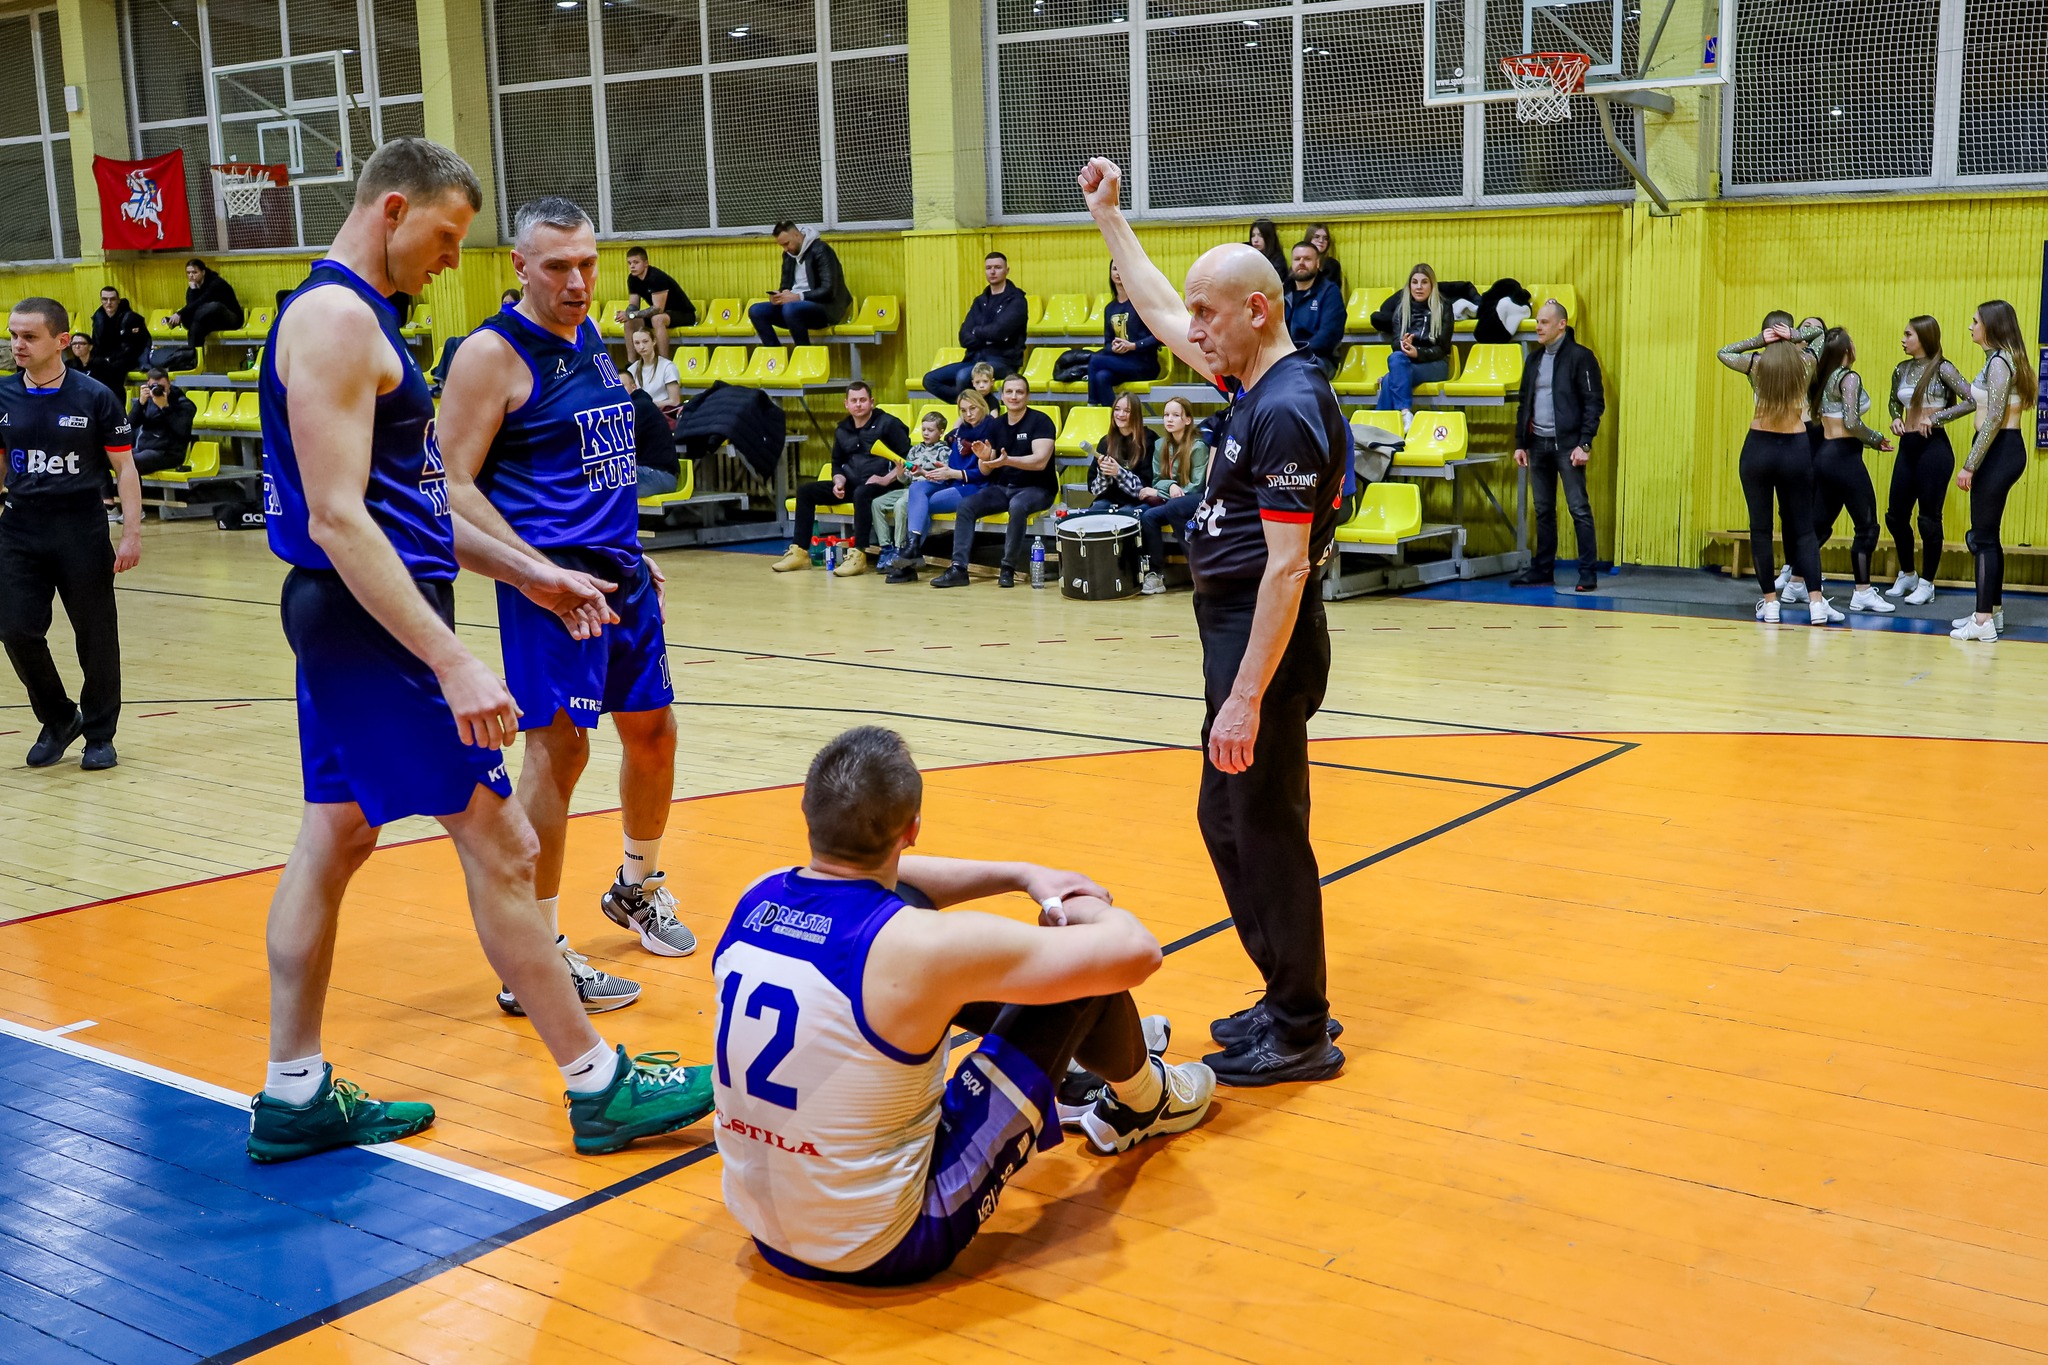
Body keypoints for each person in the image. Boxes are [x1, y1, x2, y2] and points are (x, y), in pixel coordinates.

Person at [248, 140, 712, 1164]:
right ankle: (597, 1083)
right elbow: (338, 520)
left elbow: (408, 507)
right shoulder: (336, 320)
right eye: (448, 236)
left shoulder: (364, 318)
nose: (453, 259)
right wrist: (452, 660)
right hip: (370, 622)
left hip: (356, 615)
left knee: (335, 838)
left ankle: (294, 1093)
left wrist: (531, 573)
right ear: (394, 209)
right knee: (504, 845)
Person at [713, 725, 1213, 1286]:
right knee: (1079, 976)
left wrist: (1022, 875)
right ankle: (1146, 1100)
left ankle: (1079, 1072)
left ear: (807, 813)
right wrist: (1079, 908)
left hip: (764, 1228)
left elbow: (893, 880)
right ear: (913, 830)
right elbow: (1137, 953)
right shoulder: (920, 948)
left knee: (917, 949)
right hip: (888, 1246)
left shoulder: (759, 893)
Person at [1083, 156, 1347, 1085]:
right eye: (1195, 312)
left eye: (1209, 313)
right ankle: (1284, 993)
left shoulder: (1288, 407)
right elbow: (1157, 307)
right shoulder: (1250, 381)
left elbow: (1286, 568)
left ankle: (1302, 1027)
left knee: (1263, 826)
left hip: (1262, 643)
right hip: (1235, 636)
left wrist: (1244, 697)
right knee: (1227, 816)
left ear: (1257, 311)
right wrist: (1111, 219)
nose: (1190, 330)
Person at [437, 194, 700, 1028]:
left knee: (654, 732)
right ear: (520, 266)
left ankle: (636, 886)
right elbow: (449, 484)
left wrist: (628, 545)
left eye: (587, 263)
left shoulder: (588, 336)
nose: (579, 281)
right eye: (558, 267)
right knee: (560, 750)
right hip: (549, 585)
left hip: (618, 570)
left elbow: (593, 464)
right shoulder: (490, 354)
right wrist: (534, 572)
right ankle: (536, 957)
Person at [0, 298, 142, 771]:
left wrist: (132, 534)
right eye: (13, 335)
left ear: (61, 340)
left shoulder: (95, 395)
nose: (18, 344)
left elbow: (125, 468)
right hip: (19, 527)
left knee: (95, 635)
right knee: (14, 628)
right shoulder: (3, 396)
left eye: (29, 336)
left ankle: (100, 734)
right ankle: (59, 718)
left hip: (80, 528)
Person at [1720, 320, 1835, 626]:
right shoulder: (1805, 363)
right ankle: (1816, 603)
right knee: (1804, 529)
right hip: (1795, 448)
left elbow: (1724, 352)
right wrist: (1796, 334)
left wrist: (1759, 339)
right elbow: (1820, 335)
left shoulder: (1756, 364)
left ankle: (1771, 603)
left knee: (1761, 529)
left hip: (1758, 448)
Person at [1951, 299, 2036, 642]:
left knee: (1982, 537)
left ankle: (1982, 620)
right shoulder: (1998, 360)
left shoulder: (2000, 362)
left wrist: (1970, 465)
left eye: (1975, 321)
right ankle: (1992, 611)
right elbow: (1977, 403)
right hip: (2002, 450)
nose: (1970, 326)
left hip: (2000, 451)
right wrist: (1936, 417)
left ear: (1991, 326)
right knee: (1989, 536)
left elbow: (1994, 418)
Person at [1511, 299, 1605, 593]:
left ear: (1561, 325)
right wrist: (1520, 443)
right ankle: (1542, 570)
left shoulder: (1581, 357)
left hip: (1568, 446)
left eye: (1544, 322)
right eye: (1537, 322)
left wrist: (1584, 444)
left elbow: (1594, 403)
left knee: (1579, 509)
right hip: (1537, 445)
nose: (1538, 327)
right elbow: (1524, 403)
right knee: (1543, 510)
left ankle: (1587, 573)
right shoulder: (1533, 360)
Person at [930, 374, 1057, 589]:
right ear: (1002, 396)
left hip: (1037, 488)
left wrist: (1007, 460)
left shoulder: (1040, 421)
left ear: (1027, 396)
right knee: (966, 506)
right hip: (1002, 487)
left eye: (1019, 392)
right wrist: (985, 458)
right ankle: (958, 568)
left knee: (1018, 506)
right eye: (1009, 392)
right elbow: (986, 469)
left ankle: (1008, 568)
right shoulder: (996, 425)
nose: (1014, 396)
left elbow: (1040, 461)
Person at [771, 382, 912, 575]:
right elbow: (837, 462)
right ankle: (800, 552)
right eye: (854, 401)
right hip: (852, 485)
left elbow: (908, 458)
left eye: (863, 400)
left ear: (872, 402)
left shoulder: (888, 424)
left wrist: (886, 479)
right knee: (806, 491)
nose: (858, 404)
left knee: (862, 493)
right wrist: (839, 481)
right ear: (846, 404)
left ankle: (859, 553)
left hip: (882, 485)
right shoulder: (842, 429)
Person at [1883, 316, 1973, 606]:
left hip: (1934, 449)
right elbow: (1893, 401)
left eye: (1908, 334)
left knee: (1928, 519)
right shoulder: (1901, 369)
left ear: (1923, 337)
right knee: (1895, 516)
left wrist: (1938, 417)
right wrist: (1895, 418)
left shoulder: (1943, 368)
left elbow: (1971, 399)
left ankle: (1927, 583)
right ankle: (1908, 573)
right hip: (1908, 446)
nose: (1903, 339)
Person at [1807, 328, 1894, 614]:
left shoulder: (1823, 378)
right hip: (1845, 458)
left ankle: (1797, 582)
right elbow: (1852, 422)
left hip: (1825, 456)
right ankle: (1862, 592)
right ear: (1846, 350)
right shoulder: (1849, 378)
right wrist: (1876, 439)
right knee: (1867, 526)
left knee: (1818, 527)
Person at [888, 389, 992, 584]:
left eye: (973, 408)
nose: (968, 414)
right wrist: (927, 472)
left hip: (974, 486)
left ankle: (908, 560)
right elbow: (949, 467)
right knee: (916, 489)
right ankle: (912, 549)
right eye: (963, 410)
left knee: (920, 506)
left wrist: (951, 473)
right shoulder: (959, 432)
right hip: (951, 480)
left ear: (982, 406)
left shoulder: (991, 430)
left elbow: (984, 472)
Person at [923, 254, 1028, 402]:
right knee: (930, 380)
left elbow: (999, 332)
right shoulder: (980, 301)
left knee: (963, 376)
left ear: (1007, 270)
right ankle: (970, 404)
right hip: (973, 359)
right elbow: (964, 336)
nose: (992, 271)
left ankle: (972, 407)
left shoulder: (1017, 300)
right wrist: (987, 336)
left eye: (997, 267)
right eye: (988, 268)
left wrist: (977, 332)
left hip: (1003, 361)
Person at [1136, 395, 1209, 595]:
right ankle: (1155, 574)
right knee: (1147, 516)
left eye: (1176, 415)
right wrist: (1170, 486)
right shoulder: (1160, 445)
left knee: (1169, 508)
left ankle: (1199, 570)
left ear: (1188, 420)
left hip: (1195, 501)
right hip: (1170, 500)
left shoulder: (1198, 447)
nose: (1169, 419)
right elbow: (1157, 480)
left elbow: (1196, 487)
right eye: (1166, 415)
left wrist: (1163, 491)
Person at [872, 411, 952, 571]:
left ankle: (900, 548)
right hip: (910, 488)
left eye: (930, 430)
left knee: (901, 504)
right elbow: (906, 480)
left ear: (941, 432)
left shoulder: (945, 452)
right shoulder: (915, 450)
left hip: (927, 491)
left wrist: (923, 472)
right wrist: (900, 474)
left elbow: (944, 479)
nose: (926, 433)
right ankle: (886, 548)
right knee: (877, 503)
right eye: (924, 429)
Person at [1371, 265, 1452, 422]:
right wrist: (1404, 345)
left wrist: (1418, 353)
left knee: (1389, 379)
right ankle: (1404, 414)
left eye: (1424, 282)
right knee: (1395, 359)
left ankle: (1382, 424)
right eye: (1414, 282)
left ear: (1432, 285)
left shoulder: (1444, 307)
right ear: (1409, 286)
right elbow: (1395, 343)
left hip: (1436, 364)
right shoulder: (1402, 308)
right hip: (1407, 364)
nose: (1419, 287)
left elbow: (1443, 348)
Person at [750, 221, 852, 346]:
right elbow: (785, 286)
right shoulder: (788, 255)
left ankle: (803, 352)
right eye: (782, 246)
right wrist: (779, 296)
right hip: (794, 308)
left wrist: (799, 297)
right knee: (756, 311)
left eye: (787, 244)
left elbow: (829, 290)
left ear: (797, 236)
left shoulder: (821, 250)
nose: (785, 249)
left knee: (790, 308)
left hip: (825, 308)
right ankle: (775, 353)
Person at [1086, 263, 1161, 406]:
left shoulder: (1141, 303)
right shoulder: (1110, 308)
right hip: (1121, 363)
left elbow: (1158, 337)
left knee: (1095, 360)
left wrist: (1133, 346)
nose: (1118, 272)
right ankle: (1116, 417)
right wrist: (1113, 348)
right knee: (1101, 377)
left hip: (1144, 364)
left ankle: (1091, 404)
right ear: (1110, 273)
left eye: (1122, 268)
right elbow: (1108, 343)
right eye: (1115, 268)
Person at [1083, 392, 1158, 513]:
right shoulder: (1106, 442)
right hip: (1109, 499)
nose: (1121, 414)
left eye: (1127, 411)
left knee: (1124, 517)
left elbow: (1145, 489)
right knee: (1093, 514)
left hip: (1138, 501)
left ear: (1136, 414)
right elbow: (1094, 490)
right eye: (1117, 409)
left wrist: (1118, 472)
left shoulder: (1149, 440)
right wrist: (1104, 473)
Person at [615, 247, 691, 358]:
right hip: (663, 314)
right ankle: (632, 362)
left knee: (657, 319)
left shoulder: (656, 277)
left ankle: (663, 361)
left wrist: (631, 314)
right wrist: (627, 314)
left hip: (683, 314)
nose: (632, 266)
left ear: (646, 263)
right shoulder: (632, 279)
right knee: (629, 321)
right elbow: (633, 305)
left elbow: (658, 309)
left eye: (636, 262)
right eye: (629, 263)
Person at [1283, 242, 1344, 378]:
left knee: (1294, 374)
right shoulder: (1282, 292)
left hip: (1319, 359)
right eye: (1297, 259)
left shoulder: (1329, 292)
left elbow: (1328, 336)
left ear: (1317, 263)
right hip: (1284, 359)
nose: (1301, 263)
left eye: (1307, 259)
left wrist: (1295, 354)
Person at [129, 366, 198, 475]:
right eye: (154, 386)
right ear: (148, 385)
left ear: (169, 384)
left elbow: (182, 431)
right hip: (143, 449)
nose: (158, 390)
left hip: (169, 453)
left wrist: (165, 408)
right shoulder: (149, 400)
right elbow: (130, 425)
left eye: (162, 387)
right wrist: (140, 404)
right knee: (109, 457)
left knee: (130, 463)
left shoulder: (184, 404)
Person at [165, 258, 244, 350]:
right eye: (188, 273)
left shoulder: (216, 283)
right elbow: (191, 306)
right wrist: (193, 290)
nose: (191, 276)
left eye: (194, 272)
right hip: (210, 320)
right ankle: (194, 356)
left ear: (203, 272)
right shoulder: (192, 287)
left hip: (231, 318)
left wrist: (180, 314)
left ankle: (183, 321)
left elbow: (202, 301)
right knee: (196, 326)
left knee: (213, 306)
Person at [88, 287, 151, 392]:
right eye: (105, 299)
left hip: (128, 357)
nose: (109, 303)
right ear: (101, 300)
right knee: (93, 370)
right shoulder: (98, 318)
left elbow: (136, 346)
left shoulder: (131, 318)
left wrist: (111, 359)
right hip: (106, 358)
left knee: (114, 370)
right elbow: (96, 343)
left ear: (118, 300)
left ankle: (116, 400)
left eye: (112, 299)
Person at [624, 326, 681, 411]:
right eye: (637, 343)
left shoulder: (668, 367)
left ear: (654, 341)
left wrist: (648, 405)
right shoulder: (632, 369)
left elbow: (675, 401)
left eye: (645, 341)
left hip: (662, 412)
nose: (641, 346)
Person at [1305, 223, 1344, 296]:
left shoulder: (1332, 265)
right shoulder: (1300, 262)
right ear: (1308, 239)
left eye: (1325, 238)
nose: (1321, 241)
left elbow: (1330, 290)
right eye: (1317, 237)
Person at [1246, 218, 1286, 283]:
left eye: (1260, 236)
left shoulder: (1278, 261)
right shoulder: (1246, 252)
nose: (1255, 240)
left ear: (1269, 238)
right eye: (1253, 235)